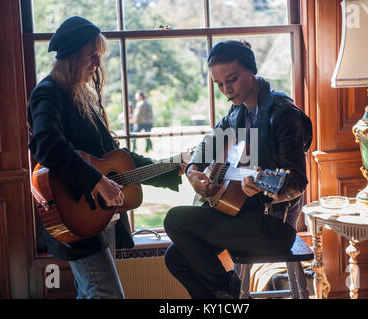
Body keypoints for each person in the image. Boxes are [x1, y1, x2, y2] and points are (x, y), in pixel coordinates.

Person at [27, 16, 186, 299]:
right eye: (92, 56)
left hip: (101, 217)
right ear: (72, 55)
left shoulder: (83, 97)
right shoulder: (48, 93)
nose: (98, 64)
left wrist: (172, 167)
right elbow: (46, 142)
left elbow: (118, 158)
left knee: (91, 293)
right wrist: (96, 181)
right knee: (105, 294)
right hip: (73, 215)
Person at [163, 40, 313, 299]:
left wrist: (266, 186)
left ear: (251, 70)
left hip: (273, 226)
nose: (226, 89)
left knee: (174, 219)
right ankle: (226, 297)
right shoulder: (236, 113)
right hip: (242, 214)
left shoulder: (283, 114)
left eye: (231, 79)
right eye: (219, 84)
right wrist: (193, 172)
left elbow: (297, 181)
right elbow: (206, 147)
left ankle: (229, 289)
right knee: (175, 257)